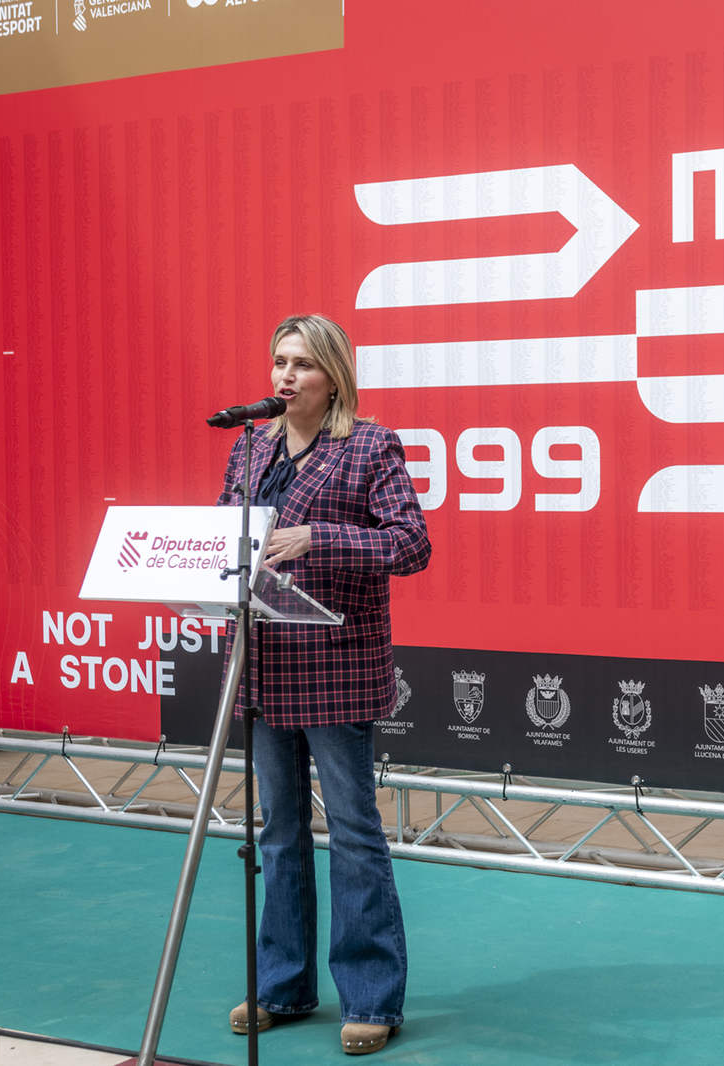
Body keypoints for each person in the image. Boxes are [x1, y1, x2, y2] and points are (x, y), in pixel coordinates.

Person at [217, 314, 430, 1056]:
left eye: (302, 363)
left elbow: (411, 544)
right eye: (279, 361)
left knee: (353, 833)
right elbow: (225, 537)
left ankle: (370, 997)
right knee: (277, 832)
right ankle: (282, 985)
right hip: (263, 665)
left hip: (336, 667)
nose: (285, 375)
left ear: (333, 376)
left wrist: (319, 537)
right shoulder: (251, 446)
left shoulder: (370, 446)